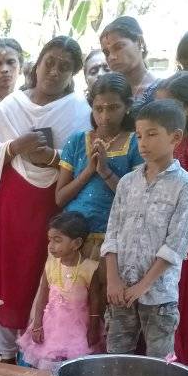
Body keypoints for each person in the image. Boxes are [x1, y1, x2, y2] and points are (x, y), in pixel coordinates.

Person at [0, 35, 90, 362]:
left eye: (64, 67)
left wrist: (53, 158)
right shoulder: (12, 106)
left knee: (37, 271)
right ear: (36, 65)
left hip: (49, 209)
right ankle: (7, 355)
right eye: (49, 63)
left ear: (72, 75)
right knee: (7, 268)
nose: (54, 72)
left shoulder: (79, 112)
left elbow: (84, 165)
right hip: (10, 204)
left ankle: (35, 352)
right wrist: (15, 147)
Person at [101, 100, 188, 358]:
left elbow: (176, 244)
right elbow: (112, 234)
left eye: (152, 134)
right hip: (120, 291)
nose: (143, 143)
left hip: (159, 294)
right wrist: (113, 281)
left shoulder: (185, 185)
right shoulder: (127, 182)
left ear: (175, 137)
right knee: (116, 358)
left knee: (158, 363)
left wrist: (142, 286)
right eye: (140, 135)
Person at [56, 73, 142, 259]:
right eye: (98, 109)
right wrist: (88, 170)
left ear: (127, 106)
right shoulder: (78, 141)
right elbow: (60, 198)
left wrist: (105, 171)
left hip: (113, 239)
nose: (105, 116)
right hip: (73, 238)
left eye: (113, 108)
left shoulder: (136, 143)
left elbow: (136, 199)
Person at [155, 72, 188, 376]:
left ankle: (183, 373)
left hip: (187, 235)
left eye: (169, 106)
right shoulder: (167, 141)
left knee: (183, 302)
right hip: (160, 229)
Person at [19, 211, 103, 370]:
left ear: (76, 243)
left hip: (78, 328)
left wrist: (93, 328)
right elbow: (42, 297)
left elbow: (95, 300)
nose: (51, 245)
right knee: (48, 364)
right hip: (52, 326)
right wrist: (37, 324)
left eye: (57, 240)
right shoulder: (50, 265)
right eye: (49, 239)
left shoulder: (90, 268)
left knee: (74, 368)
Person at [100, 16, 159, 104]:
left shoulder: (163, 91)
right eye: (106, 53)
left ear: (140, 42)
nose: (112, 57)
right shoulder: (107, 92)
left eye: (118, 47)